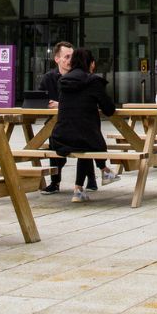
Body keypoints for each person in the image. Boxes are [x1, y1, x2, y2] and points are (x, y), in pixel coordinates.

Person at [48, 47, 117, 203]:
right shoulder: (93, 81)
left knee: (83, 138)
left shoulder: (64, 81)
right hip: (85, 139)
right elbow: (109, 110)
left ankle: (79, 190)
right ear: (91, 64)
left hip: (60, 138)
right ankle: (103, 171)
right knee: (87, 140)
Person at [36, 41, 73, 194]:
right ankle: (55, 181)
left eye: (72, 56)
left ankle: (89, 179)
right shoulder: (48, 78)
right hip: (54, 122)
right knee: (52, 136)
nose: (70, 60)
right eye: (67, 56)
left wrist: (61, 104)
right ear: (57, 59)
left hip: (74, 122)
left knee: (55, 137)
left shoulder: (78, 76)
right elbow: (39, 99)